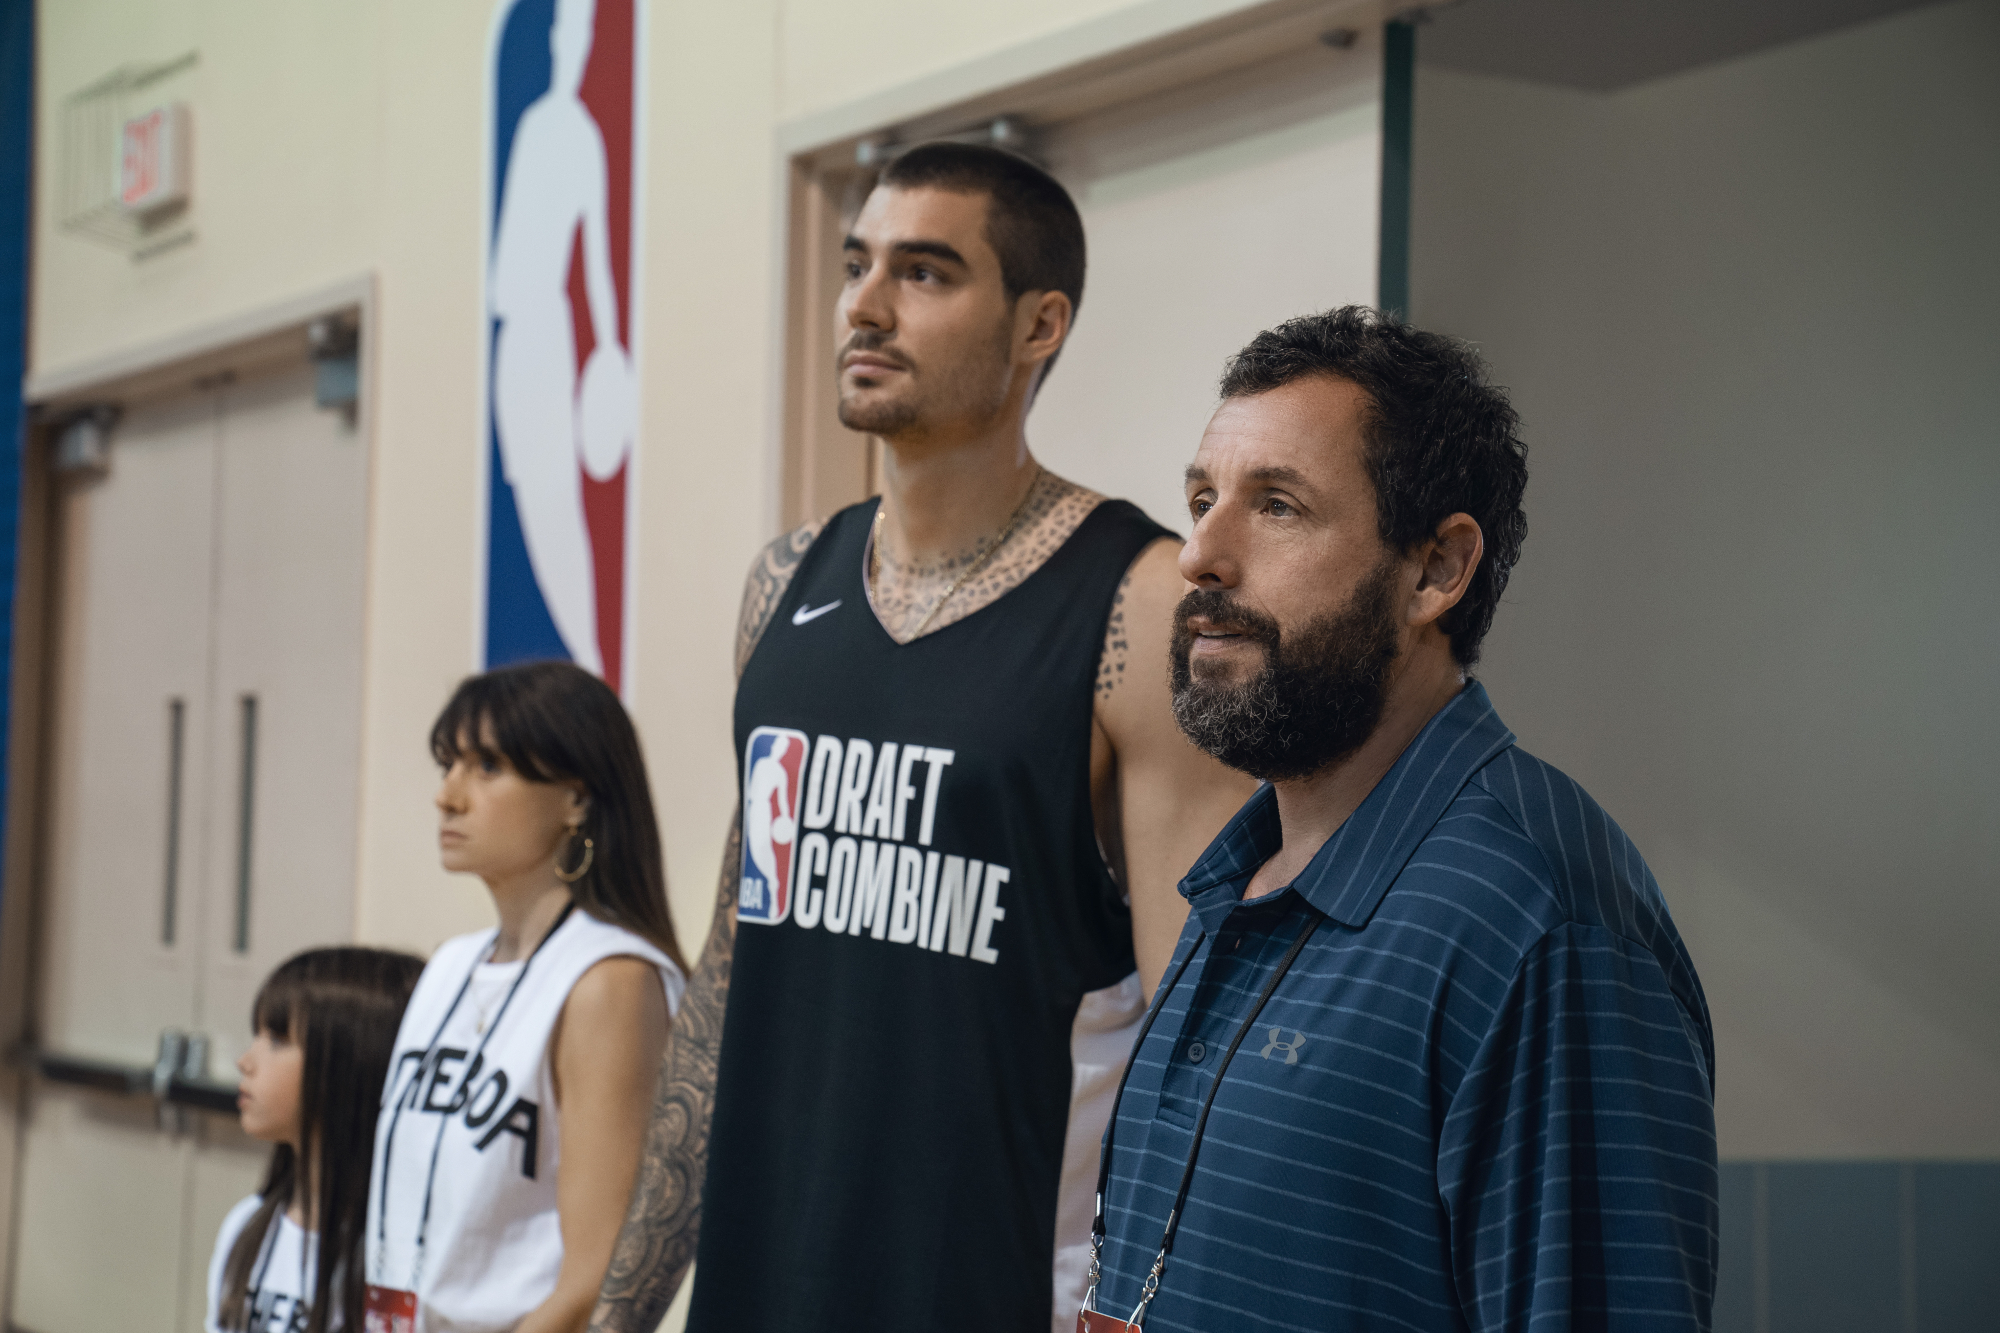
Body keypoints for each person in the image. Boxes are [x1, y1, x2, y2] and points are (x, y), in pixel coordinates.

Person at [589, 143, 1255, 1333]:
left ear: (1038, 323)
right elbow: (731, 972)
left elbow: (1195, 1048)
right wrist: (617, 1310)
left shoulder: (1137, 602)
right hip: (757, 1290)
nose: (866, 304)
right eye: (856, 265)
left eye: (925, 272)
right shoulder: (784, 584)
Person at [1081, 307, 1717, 1330]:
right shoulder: (1236, 881)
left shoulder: (1542, 923)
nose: (1199, 553)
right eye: (1201, 500)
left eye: (1276, 505)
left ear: (1435, 570)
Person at [366, 661, 687, 1333]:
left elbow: (597, 1278)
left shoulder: (610, 980)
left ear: (575, 799)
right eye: (448, 764)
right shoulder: (449, 965)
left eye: (487, 767)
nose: (447, 796)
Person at [490, 0, 632, 673]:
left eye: (583, 34)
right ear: (552, 39)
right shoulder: (533, 125)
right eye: (564, 32)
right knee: (530, 496)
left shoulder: (581, 136)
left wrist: (609, 347)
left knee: (559, 507)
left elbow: (597, 261)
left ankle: (589, 658)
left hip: (548, 336)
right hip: (512, 338)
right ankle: (582, 655)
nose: (571, 46)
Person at [209, 946, 425, 1333]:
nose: (246, 1061)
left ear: (351, 1064)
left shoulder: (401, 1266)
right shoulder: (246, 1228)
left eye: (277, 1039)